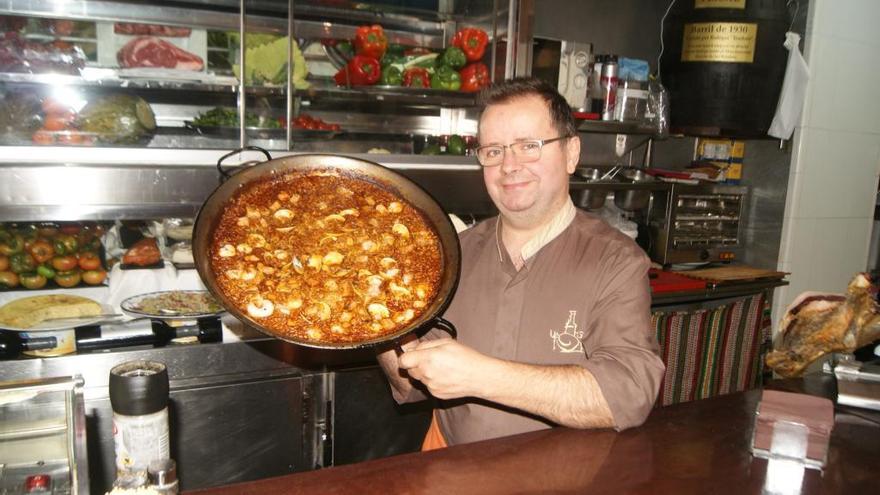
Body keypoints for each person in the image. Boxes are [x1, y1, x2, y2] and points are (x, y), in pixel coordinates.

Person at [377, 77, 665, 448]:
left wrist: (481, 376)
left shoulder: (615, 261)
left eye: (529, 146)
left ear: (572, 153)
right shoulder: (451, 254)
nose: (509, 166)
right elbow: (411, 384)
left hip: (565, 478)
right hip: (452, 468)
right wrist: (378, 321)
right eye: (493, 150)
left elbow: (628, 395)